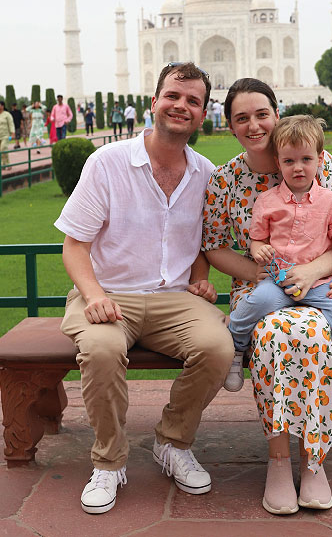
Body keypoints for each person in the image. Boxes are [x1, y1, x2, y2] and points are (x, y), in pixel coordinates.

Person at [54, 62, 233, 515]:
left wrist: (200, 280)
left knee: (218, 347)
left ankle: (172, 442)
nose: (181, 106)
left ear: (202, 113)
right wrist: (93, 295)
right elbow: (75, 246)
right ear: (154, 102)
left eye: (193, 100)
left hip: (173, 299)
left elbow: (200, 240)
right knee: (100, 350)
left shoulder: (205, 173)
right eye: (174, 95)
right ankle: (110, 461)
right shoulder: (108, 163)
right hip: (109, 293)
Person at [203, 77, 332, 516]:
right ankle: (278, 460)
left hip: (319, 285)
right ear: (229, 125)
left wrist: (309, 272)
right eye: (241, 118)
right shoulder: (225, 180)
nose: (254, 125)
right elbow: (214, 246)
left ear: (277, 114)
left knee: (308, 334)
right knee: (274, 334)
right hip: (260, 287)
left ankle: (314, 459)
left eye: (261, 114)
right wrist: (265, 273)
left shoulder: (316, 161)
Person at [223, 114, 332, 420]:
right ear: (278, 162)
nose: (298, 167)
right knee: (254, 303)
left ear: (319, 159)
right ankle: (235, 349)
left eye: (306, 159)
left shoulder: (329, 201)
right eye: (289, 161)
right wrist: (259, 250)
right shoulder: (267, 201)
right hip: (277, 280)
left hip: (319, 283)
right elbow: (256, 239)